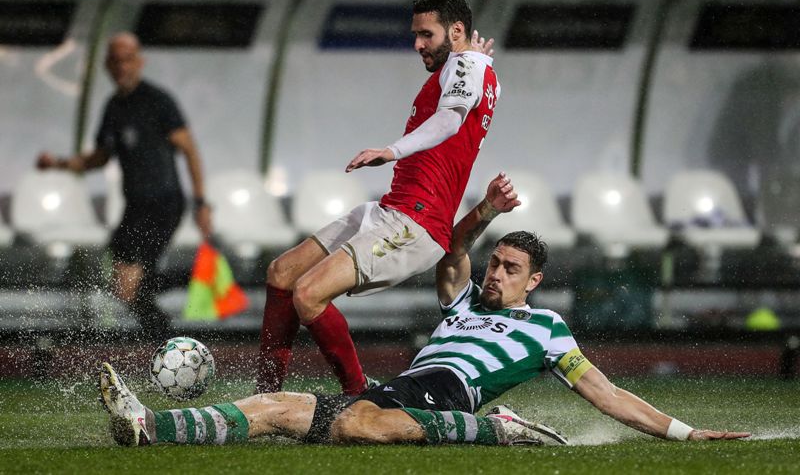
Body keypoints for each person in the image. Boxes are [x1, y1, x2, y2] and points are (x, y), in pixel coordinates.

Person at [100, 173, 749, 447]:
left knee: (362, 427)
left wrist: (685, 432)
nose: (495, 273)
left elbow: (607, 395)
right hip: (404, 389)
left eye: (510, 268)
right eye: (495, 263)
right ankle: (151, 426)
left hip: (449, 392)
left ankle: (494, 429)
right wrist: (485, 213)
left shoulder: (547, 330)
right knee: (279, 411)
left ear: (535, 281)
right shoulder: (463, 301)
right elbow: (451, 250)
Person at [257, 0, 500, 395]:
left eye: (427, 34)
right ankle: (264, 396)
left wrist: (391, 151)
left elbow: (450, 121)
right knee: (282, 274)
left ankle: (357, 396)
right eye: (416, 34)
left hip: (415, 223)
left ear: (456, 31)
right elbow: (465, 86)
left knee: (309, 294)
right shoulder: (469, 64)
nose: (417, 44)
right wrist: (471, 57)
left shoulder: (467, 64)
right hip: (389, 210)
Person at [36, 32, 211, 336]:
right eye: (115, 61)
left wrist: (201, 203)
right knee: (123, 285)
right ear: (107, 65)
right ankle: (166, 336)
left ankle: (176, 321)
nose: (122, 67)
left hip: (164, 203)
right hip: (135, 207)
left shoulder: (158, 101)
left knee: (137, 282)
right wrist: (60, 164)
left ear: (140, 62)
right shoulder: (113, 108)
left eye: (128, 60)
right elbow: (100, 158)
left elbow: (190, 150)